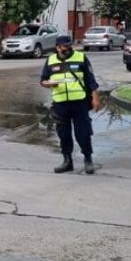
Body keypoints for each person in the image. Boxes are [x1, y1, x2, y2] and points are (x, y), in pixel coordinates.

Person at [40, 35, 101, 174]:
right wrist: (47, 83)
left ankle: (88, 159)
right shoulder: (50, 60)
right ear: (58, 48)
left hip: (79, 102)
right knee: (63, 134)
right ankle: (67, 161)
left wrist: (95, 97)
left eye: (69, 45)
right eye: (65, 46)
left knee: (83, 133)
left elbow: (90, 79)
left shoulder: (81, 57)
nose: (68, 48)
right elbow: (43, 79)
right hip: (60, 104)